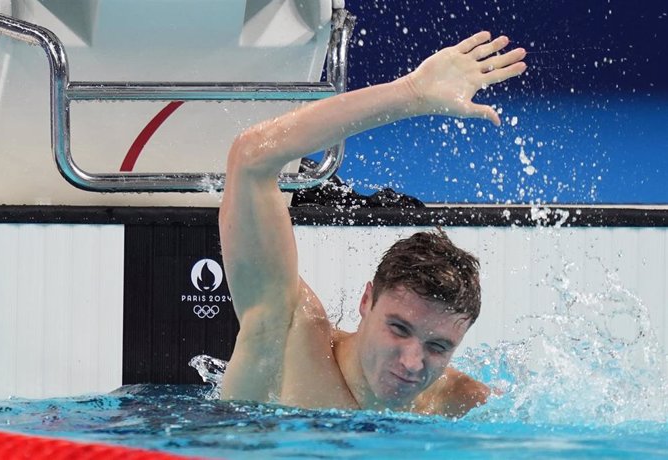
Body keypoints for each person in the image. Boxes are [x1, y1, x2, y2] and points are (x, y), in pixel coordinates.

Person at [218, 32, 526, 416]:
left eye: (438, 347)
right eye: (398, 329)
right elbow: (251, 157)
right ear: (366, 302)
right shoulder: (287, 338)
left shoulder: (463, 404)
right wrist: (411, 93)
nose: (412, 363)